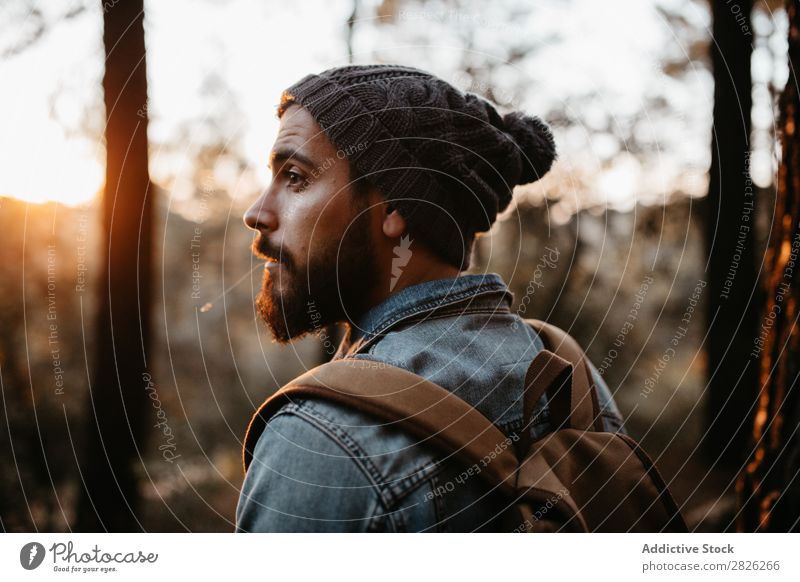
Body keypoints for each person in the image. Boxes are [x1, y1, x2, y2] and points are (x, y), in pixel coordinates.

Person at [236, 64, 625, 532]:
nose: (257, 213)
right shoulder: (568, 375)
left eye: (295, 177)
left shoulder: (321, 440)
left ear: (396, 209)